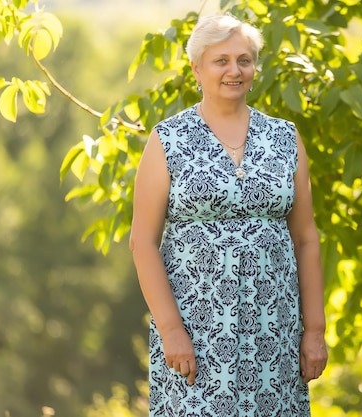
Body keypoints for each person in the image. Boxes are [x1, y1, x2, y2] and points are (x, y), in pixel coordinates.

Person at [129, 13, 328, 416]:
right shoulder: (167, 139)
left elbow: (306, 239)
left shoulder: (285, 138)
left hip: (276, 330)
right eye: (221, 61)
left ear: (255, 67)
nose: (234, 71)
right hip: (194, 333)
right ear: (196, 68)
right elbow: (143, 243)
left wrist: (315, 331)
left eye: (244, 60)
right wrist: (171, 330)